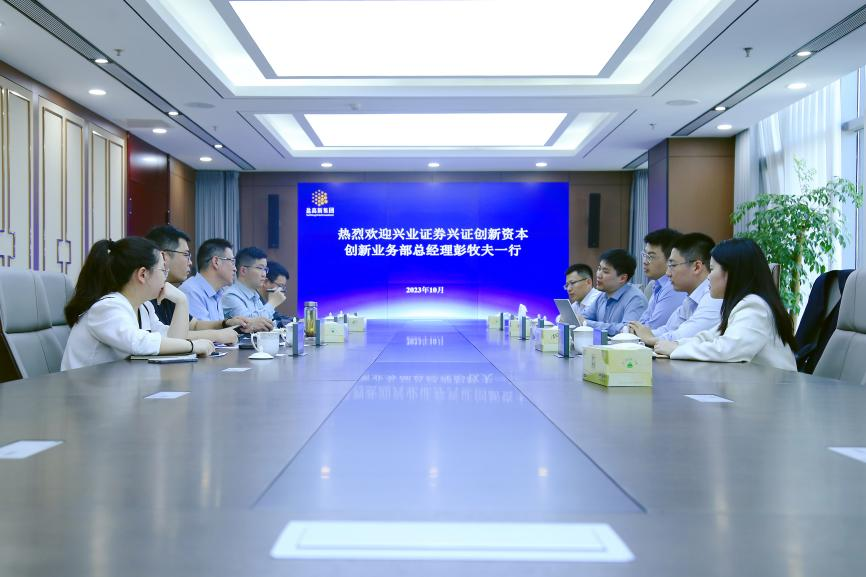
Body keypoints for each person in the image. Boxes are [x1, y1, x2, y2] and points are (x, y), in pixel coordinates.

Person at [61, 237, 215, 370]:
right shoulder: (107, 307)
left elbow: (173, 342)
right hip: (85, 391)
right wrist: (193, 346)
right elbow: (137, 342)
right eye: (163, 270)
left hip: (115, 385)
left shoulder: (145, 307)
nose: (165, 278)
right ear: (142, 274)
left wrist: (181, 301)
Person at [654, 238, 797, 371]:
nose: (708, 276)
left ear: (731, 273)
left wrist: (676, 350)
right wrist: (677, 344)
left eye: (712, 269)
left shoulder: (754, 306)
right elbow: (711, 337)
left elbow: (728, 349)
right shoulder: (742, 304)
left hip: (775, 388)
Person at [145, 225, 242, 344]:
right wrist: (217, 335)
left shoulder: (168, 291)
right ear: (163, 256)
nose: (190, 262)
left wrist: (225, 323)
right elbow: (170, 338)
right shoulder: (146, 295)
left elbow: (193, 325)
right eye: (186, 255)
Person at [628, 233, 721, 347]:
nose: (667, 273)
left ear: (696, 267)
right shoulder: (690, 299)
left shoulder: (714, 297)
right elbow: (668, 329)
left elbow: (687, 336)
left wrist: (650, 338)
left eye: (672, 265)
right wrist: (639, 333)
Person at [180, 239, 273, 332]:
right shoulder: (191, 291)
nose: (235, 269)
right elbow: (202, 334)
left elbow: (217, 332)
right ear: (216, 262)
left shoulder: (219, 292)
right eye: (232, 261)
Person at [577, 249, 647, 334]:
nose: (598, 275)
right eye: (599, 269)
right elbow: (582, 318)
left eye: (605, 271)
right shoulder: (602, 295)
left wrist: (587, 324)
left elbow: (627, 330)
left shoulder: (636, 299)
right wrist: (582, 321)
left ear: (622, 278)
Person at [636, 228, 685, 329]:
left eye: (651, 257)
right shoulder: (657, 284)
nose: (645, 261)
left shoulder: (673, 287)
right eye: (644, 255)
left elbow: (652, 329)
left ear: (671, 259)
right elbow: (642, 322)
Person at [222, 247, 286, 321]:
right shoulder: (230, 296)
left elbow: (267, 322)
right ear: (243, 271)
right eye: (260, 268)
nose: (264, 274)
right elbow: (249, 323)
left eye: (265, 269)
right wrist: (272, 303)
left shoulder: (255, 295)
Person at [257, 260, 293, 325]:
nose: (281, 290)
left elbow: (276, 317)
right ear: (265, 282)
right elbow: (260, 322)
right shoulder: (255, 299)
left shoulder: (264, 301)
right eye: (280, 286)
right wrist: (272, 303)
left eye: (283, 287)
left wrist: (297, 321)